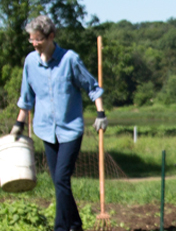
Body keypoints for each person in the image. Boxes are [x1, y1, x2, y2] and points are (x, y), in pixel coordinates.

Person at [9, 15, 107, 231]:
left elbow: (92, 86)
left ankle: (60, 227)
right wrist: (19, 124)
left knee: (61, 178)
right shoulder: (30, 63)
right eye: (31, 40)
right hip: (45, 129)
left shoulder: (69, 59)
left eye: (39, 39)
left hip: (70, 129)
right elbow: (26, 97)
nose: (35, 44)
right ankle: (75, 224)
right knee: (59, 182)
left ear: (51, 36)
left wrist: (100, 113)